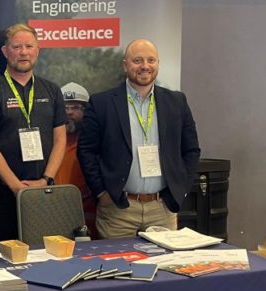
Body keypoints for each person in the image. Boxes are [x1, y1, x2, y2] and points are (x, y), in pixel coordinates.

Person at [77, 39, 200, 239]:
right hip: (118, 209)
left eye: (151, 60)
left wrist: (181, 189)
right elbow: (86, 151)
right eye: (137, 60)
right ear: (125, 65)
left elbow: (191, 150)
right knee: (117, 267)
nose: (145, 66)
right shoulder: (102, 103)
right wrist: (101, 193)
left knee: (164, 267)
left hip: (162, 209)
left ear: (158, 63)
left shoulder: (177, 101)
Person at [0, 23, 67, 241]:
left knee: (46, 255)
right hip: (4, 192)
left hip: (44, 191)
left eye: (29, 46)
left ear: (37, 50)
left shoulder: (52, 90)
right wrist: (16, 186)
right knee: (7, 257)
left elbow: (60, 139)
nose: (23, 52)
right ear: (5, 52)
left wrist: (46, 180)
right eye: (16, 47)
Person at [55, 82, 96, 236]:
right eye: (65, 108)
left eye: (76, 107)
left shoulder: (93, 142)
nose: (70, 113)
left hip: (88, 209)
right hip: (55, 207)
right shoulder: (49, 143)